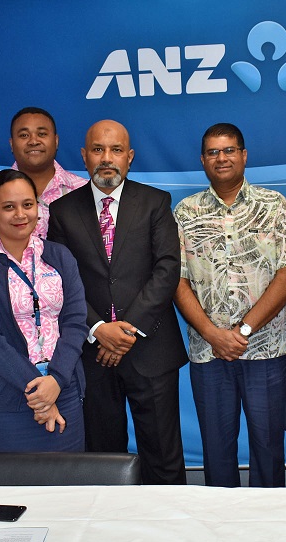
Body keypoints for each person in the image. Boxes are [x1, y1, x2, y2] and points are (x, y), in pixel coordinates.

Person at [48, 120, 188, 484]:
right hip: (92, 354)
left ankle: (168, 519)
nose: (106, 158)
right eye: (98, 149)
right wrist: (98, 328)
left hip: (150, 349)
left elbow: (167, 269)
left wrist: (127, 331)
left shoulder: (156, 202)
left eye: (116, 150)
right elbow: (60, 281)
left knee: (163, 456)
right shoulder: (62, 211)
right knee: (103, 459)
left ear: (130, 157)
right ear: (84, 156)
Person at [174, 123, 286, 487]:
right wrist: (213, 334)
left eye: (229, 150)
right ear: (203, 160)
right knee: (216, 450)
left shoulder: (273, 205)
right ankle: (222, 519)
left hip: (265, 350)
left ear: (244, 155)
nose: (222, 158)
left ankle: (267, 520)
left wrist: (242, 330)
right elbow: (177, 282)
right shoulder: (185, 212)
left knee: (268, 448)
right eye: (213, 152)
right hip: (209, 352)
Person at [0, 169, 87, 452]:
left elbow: (75, 323)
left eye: (28, 204)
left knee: (68, 480)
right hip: (2, 397)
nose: (20, 214)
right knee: (8, 481)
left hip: (63, 390)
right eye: (8, 207)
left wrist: (56, 381)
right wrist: (40, 393)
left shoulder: (60, 256)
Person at [0, 107, 86, 252]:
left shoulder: (83, 190)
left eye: (42, 134)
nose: (33, 141)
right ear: (12, 144)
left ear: (56, 141)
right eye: (24, 135)